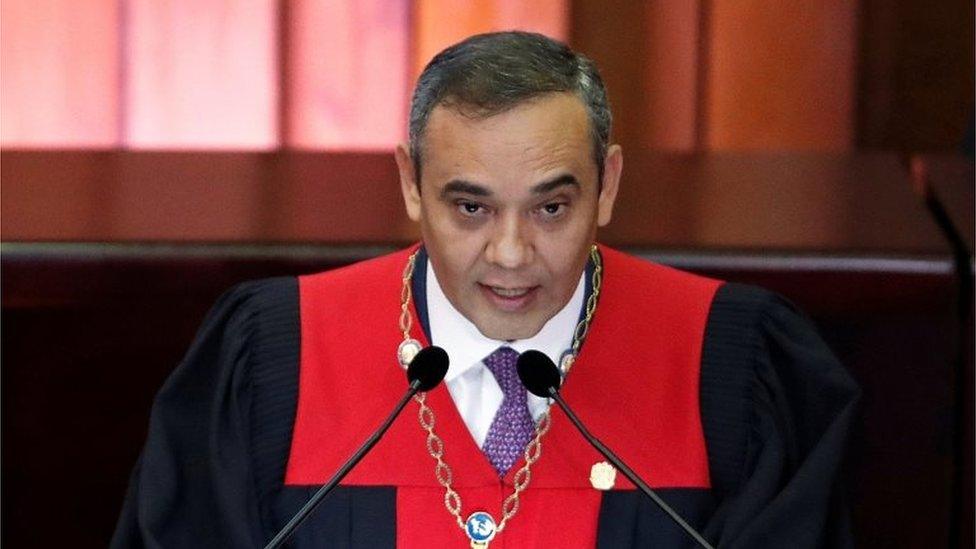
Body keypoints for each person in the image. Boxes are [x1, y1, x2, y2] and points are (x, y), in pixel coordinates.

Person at [111, 31, 859, 548]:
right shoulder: (276, 356)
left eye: (551, 207)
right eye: (470, 207)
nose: (510, 253)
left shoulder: (728, 368)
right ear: (410, 183)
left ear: (609, 186)